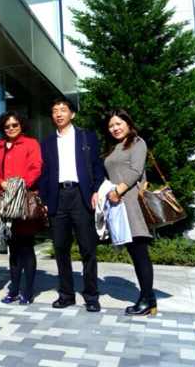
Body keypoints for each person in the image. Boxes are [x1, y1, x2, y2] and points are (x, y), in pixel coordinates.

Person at [39, 98, 104, 312]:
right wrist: (45, 200)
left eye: (63, 110)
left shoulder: (86, 136)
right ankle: (66, 294)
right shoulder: (47, 142)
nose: (59, 114)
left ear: (72, 114)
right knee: (60, 248)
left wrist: (96, 190)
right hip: (57, 197)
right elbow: (44, 173)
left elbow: (97, 166)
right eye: (55, 111)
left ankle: (91, 295)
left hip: (81, 195)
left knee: (87, 248)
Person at [104, 109, 157, 315]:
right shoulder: (114, 147)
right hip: (118, 206)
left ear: (128, 123)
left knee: (140, 252)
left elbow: (136, 171)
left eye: (118, 123)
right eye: (111, 125)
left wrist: (118, 190)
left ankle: (147, 300)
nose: (115, 128)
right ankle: (148, 299)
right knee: (134, 253)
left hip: (132, 204)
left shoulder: (137, 143)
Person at [0, 111, 43, 305]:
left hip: (23, 200)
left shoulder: (31, 144)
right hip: (5, 202)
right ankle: (14, 289)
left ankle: (27, 291)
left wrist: (18, 185)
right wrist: (1, 183)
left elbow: (36, 167)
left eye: (15, 125)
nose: (11, 128)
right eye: (7, 126)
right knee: (13, 248)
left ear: (21, 125)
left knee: (26, 247)